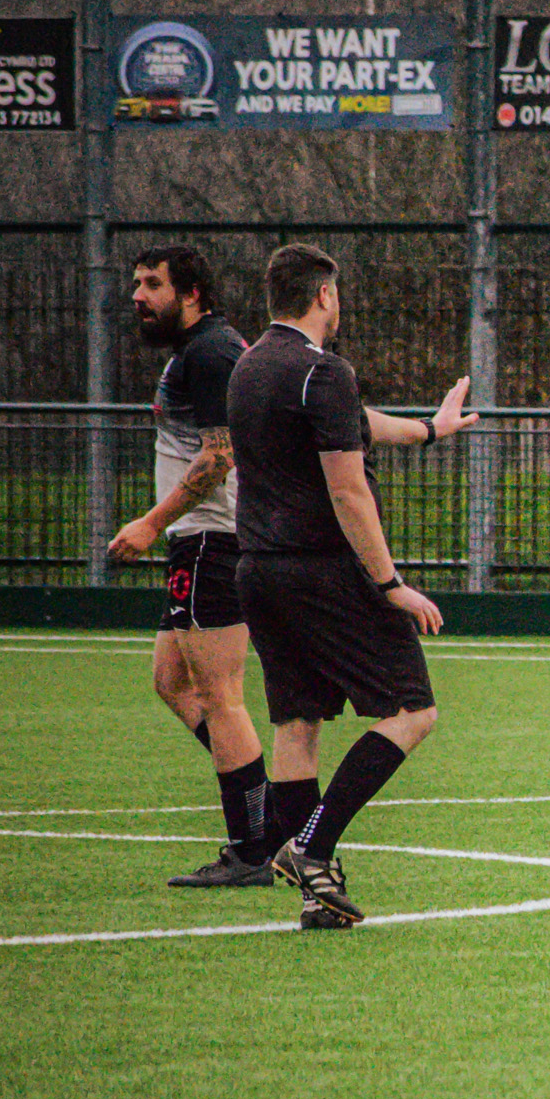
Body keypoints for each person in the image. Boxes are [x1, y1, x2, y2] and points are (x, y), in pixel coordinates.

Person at [225, 243, 477, 929]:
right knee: (412, 710)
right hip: (324, 572)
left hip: (259, 571)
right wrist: (390, 582)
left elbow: (359, 427)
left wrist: (432, 428)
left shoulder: (250, 368)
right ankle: (313, 847)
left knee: (296, 724)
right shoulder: (324, 370)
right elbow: (347, 488)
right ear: (325, 297)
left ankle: (318, 895)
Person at [105, 245, 272, 887]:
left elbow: (218, 458)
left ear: (192, 291)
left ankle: (254, 848)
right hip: (199, 542)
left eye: (152, 284)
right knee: (172, 680)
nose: (139, 296)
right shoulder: (197, 351)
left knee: (220, 696)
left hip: (214, 539)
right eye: (137, 283)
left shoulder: (209, 354)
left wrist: (151, 522)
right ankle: (266, 811)